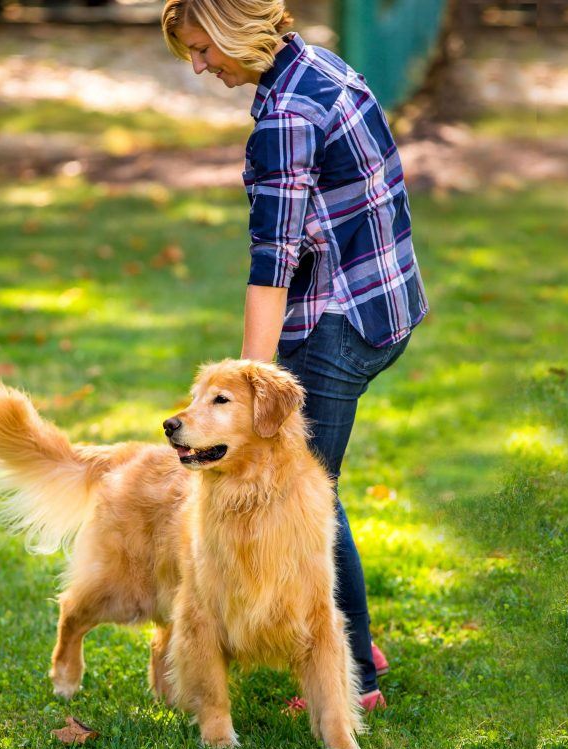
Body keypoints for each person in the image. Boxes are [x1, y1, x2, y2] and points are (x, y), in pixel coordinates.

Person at [161, 0, 428, 710]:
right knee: (311, 491)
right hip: (387, 301)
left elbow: (272, 259)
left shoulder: (284, 118)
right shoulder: (318, 66)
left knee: (306, 499)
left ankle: (354, 678)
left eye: (200, 49)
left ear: (229, 32)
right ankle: (355, 642)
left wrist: (247, 389)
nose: (199, 65)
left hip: (344, 320)